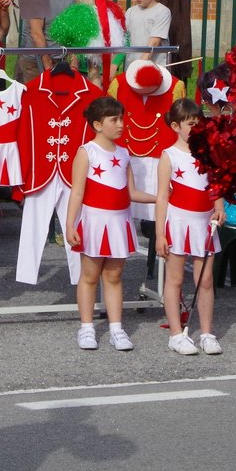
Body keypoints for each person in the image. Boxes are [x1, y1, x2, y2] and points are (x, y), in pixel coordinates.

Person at [64, 96, 154, 351]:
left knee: (114, 276)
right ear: (97, 124)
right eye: (114, 119)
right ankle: (87, 328)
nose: (121, 124)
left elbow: (131, 192)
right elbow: (77, 192)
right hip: (94, 222)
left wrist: (161, 197)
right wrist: (70, 225)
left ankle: (116, 329)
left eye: (121, 118)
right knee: (90, 276)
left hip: (119, 222)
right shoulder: (86, 152)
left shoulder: (125, 154)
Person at [154, 98, 224, 355]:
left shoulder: (209, 152)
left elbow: (216, 184)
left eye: (198, 123)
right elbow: (162, 196)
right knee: (175, 278)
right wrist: (160, 233)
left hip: (204, 222)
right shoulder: (168, 156)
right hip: (179, 222)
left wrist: (219, 206)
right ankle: (176, 334)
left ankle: (206, 332)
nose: (196, 128)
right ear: (175, 126)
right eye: (190, 124)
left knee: (205, 280)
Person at [124, 0, 172, 68]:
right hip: (131, 68)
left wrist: (138, 67)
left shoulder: (162, 12)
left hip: (155, 69)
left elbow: (153, 43)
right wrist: (114, 65)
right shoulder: (130, 12)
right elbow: (125, 41)